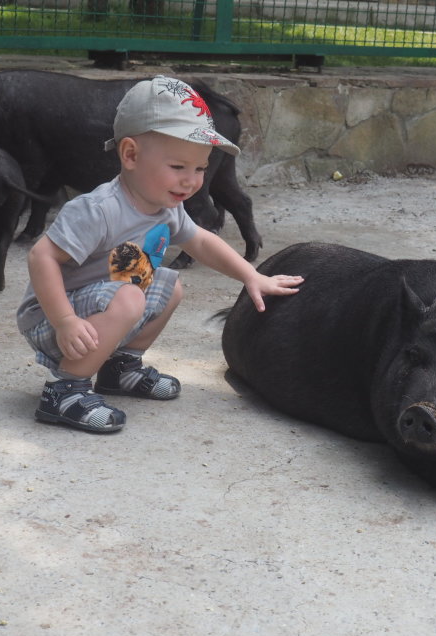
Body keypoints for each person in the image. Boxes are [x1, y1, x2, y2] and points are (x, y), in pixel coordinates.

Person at [17, 75, 304, 433]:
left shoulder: (164, 206)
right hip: (52, 318)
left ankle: (119, 368)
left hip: (102, 308)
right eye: (178, 167)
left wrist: (252, 276)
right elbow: (41, 258)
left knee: (169, 285)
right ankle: (64, 391)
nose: (192, 180)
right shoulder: (99, 209)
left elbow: (199, 240)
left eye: (200, 168)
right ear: (131, 154)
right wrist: (64, 321)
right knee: (130, 297)